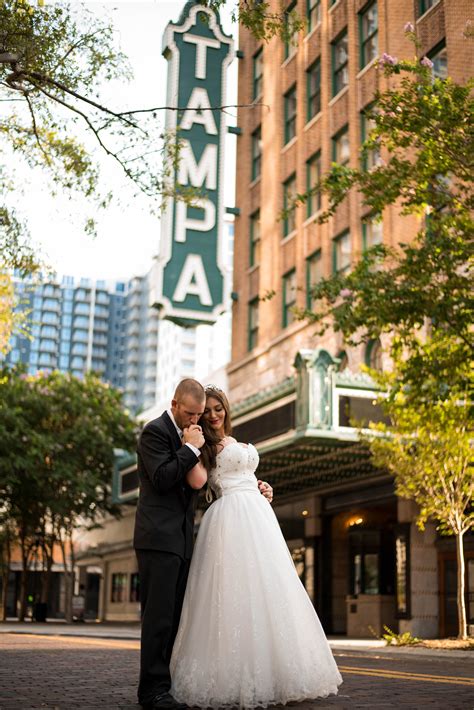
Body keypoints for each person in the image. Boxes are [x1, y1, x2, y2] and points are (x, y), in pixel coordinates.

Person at [170, 385, 343, 708]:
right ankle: (234, 674)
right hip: (230, 516)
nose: (213, 414)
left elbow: (244, 473)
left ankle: (276, 672)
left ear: (226, 409)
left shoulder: (233, 442)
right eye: (207, 410)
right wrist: (189, 446)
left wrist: (261, 486)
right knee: (234, 592)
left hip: (258, 513)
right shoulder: (203, 444)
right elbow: (197, 482)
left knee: (271, 588)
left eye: (218, 408)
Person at [134, 379, 272, 710]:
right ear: (174, 404)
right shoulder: (155, 432)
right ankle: (151, 691)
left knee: (174, 616)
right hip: (157, 537)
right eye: (193, 413)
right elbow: (164, 478)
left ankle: (163, 685)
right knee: (158, 618)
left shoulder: (191, 433)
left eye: (203, 413)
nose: (197, 419)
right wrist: (191, 448)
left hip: (182, 538)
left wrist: (258, 488)